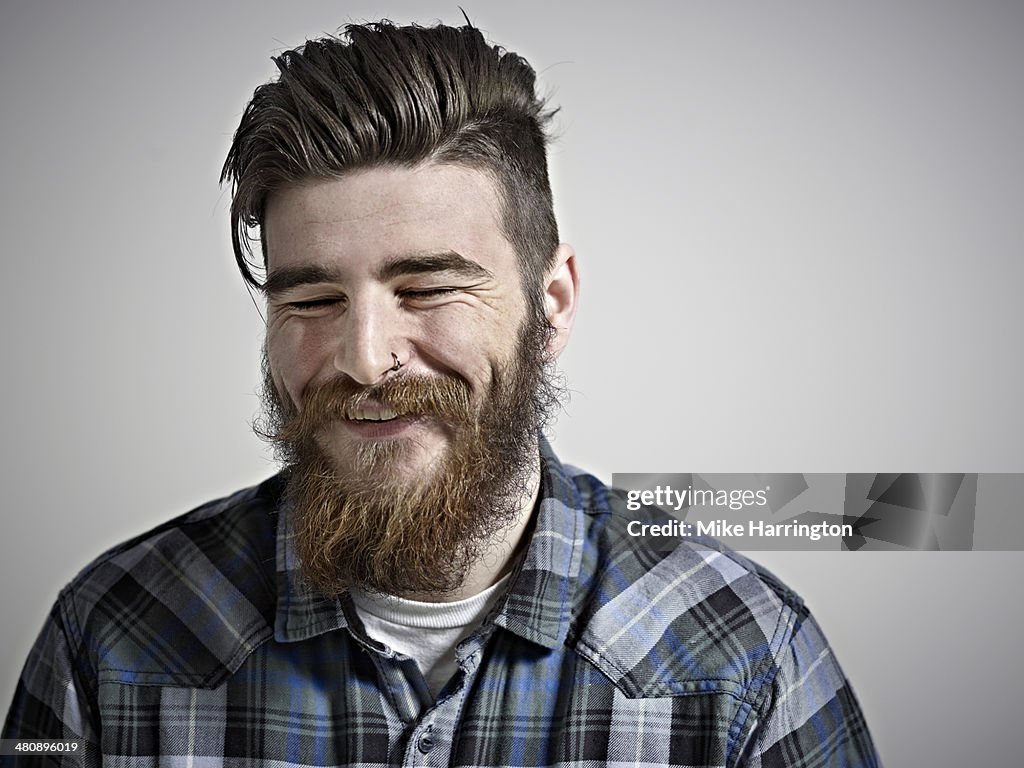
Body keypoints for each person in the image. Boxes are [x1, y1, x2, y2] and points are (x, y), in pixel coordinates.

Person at [2, 20, 880, 767]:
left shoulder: (747, 657)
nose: (365, 357)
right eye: (311, 299)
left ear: (554, 301)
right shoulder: (108, 638)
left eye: (427, 289)